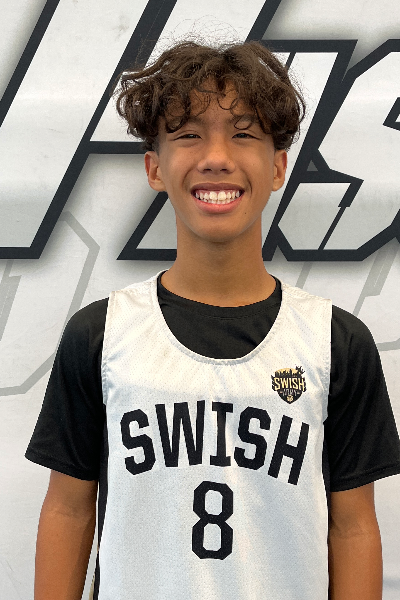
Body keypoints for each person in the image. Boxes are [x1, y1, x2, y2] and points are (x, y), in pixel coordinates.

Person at [26, 40, 400, 600]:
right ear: (155, 167)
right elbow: (68, 510)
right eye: (188, 135)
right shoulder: (100, 335)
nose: (216, 156)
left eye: (244, 134)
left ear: (278, 167)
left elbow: (352, 526)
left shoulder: (335, 342)